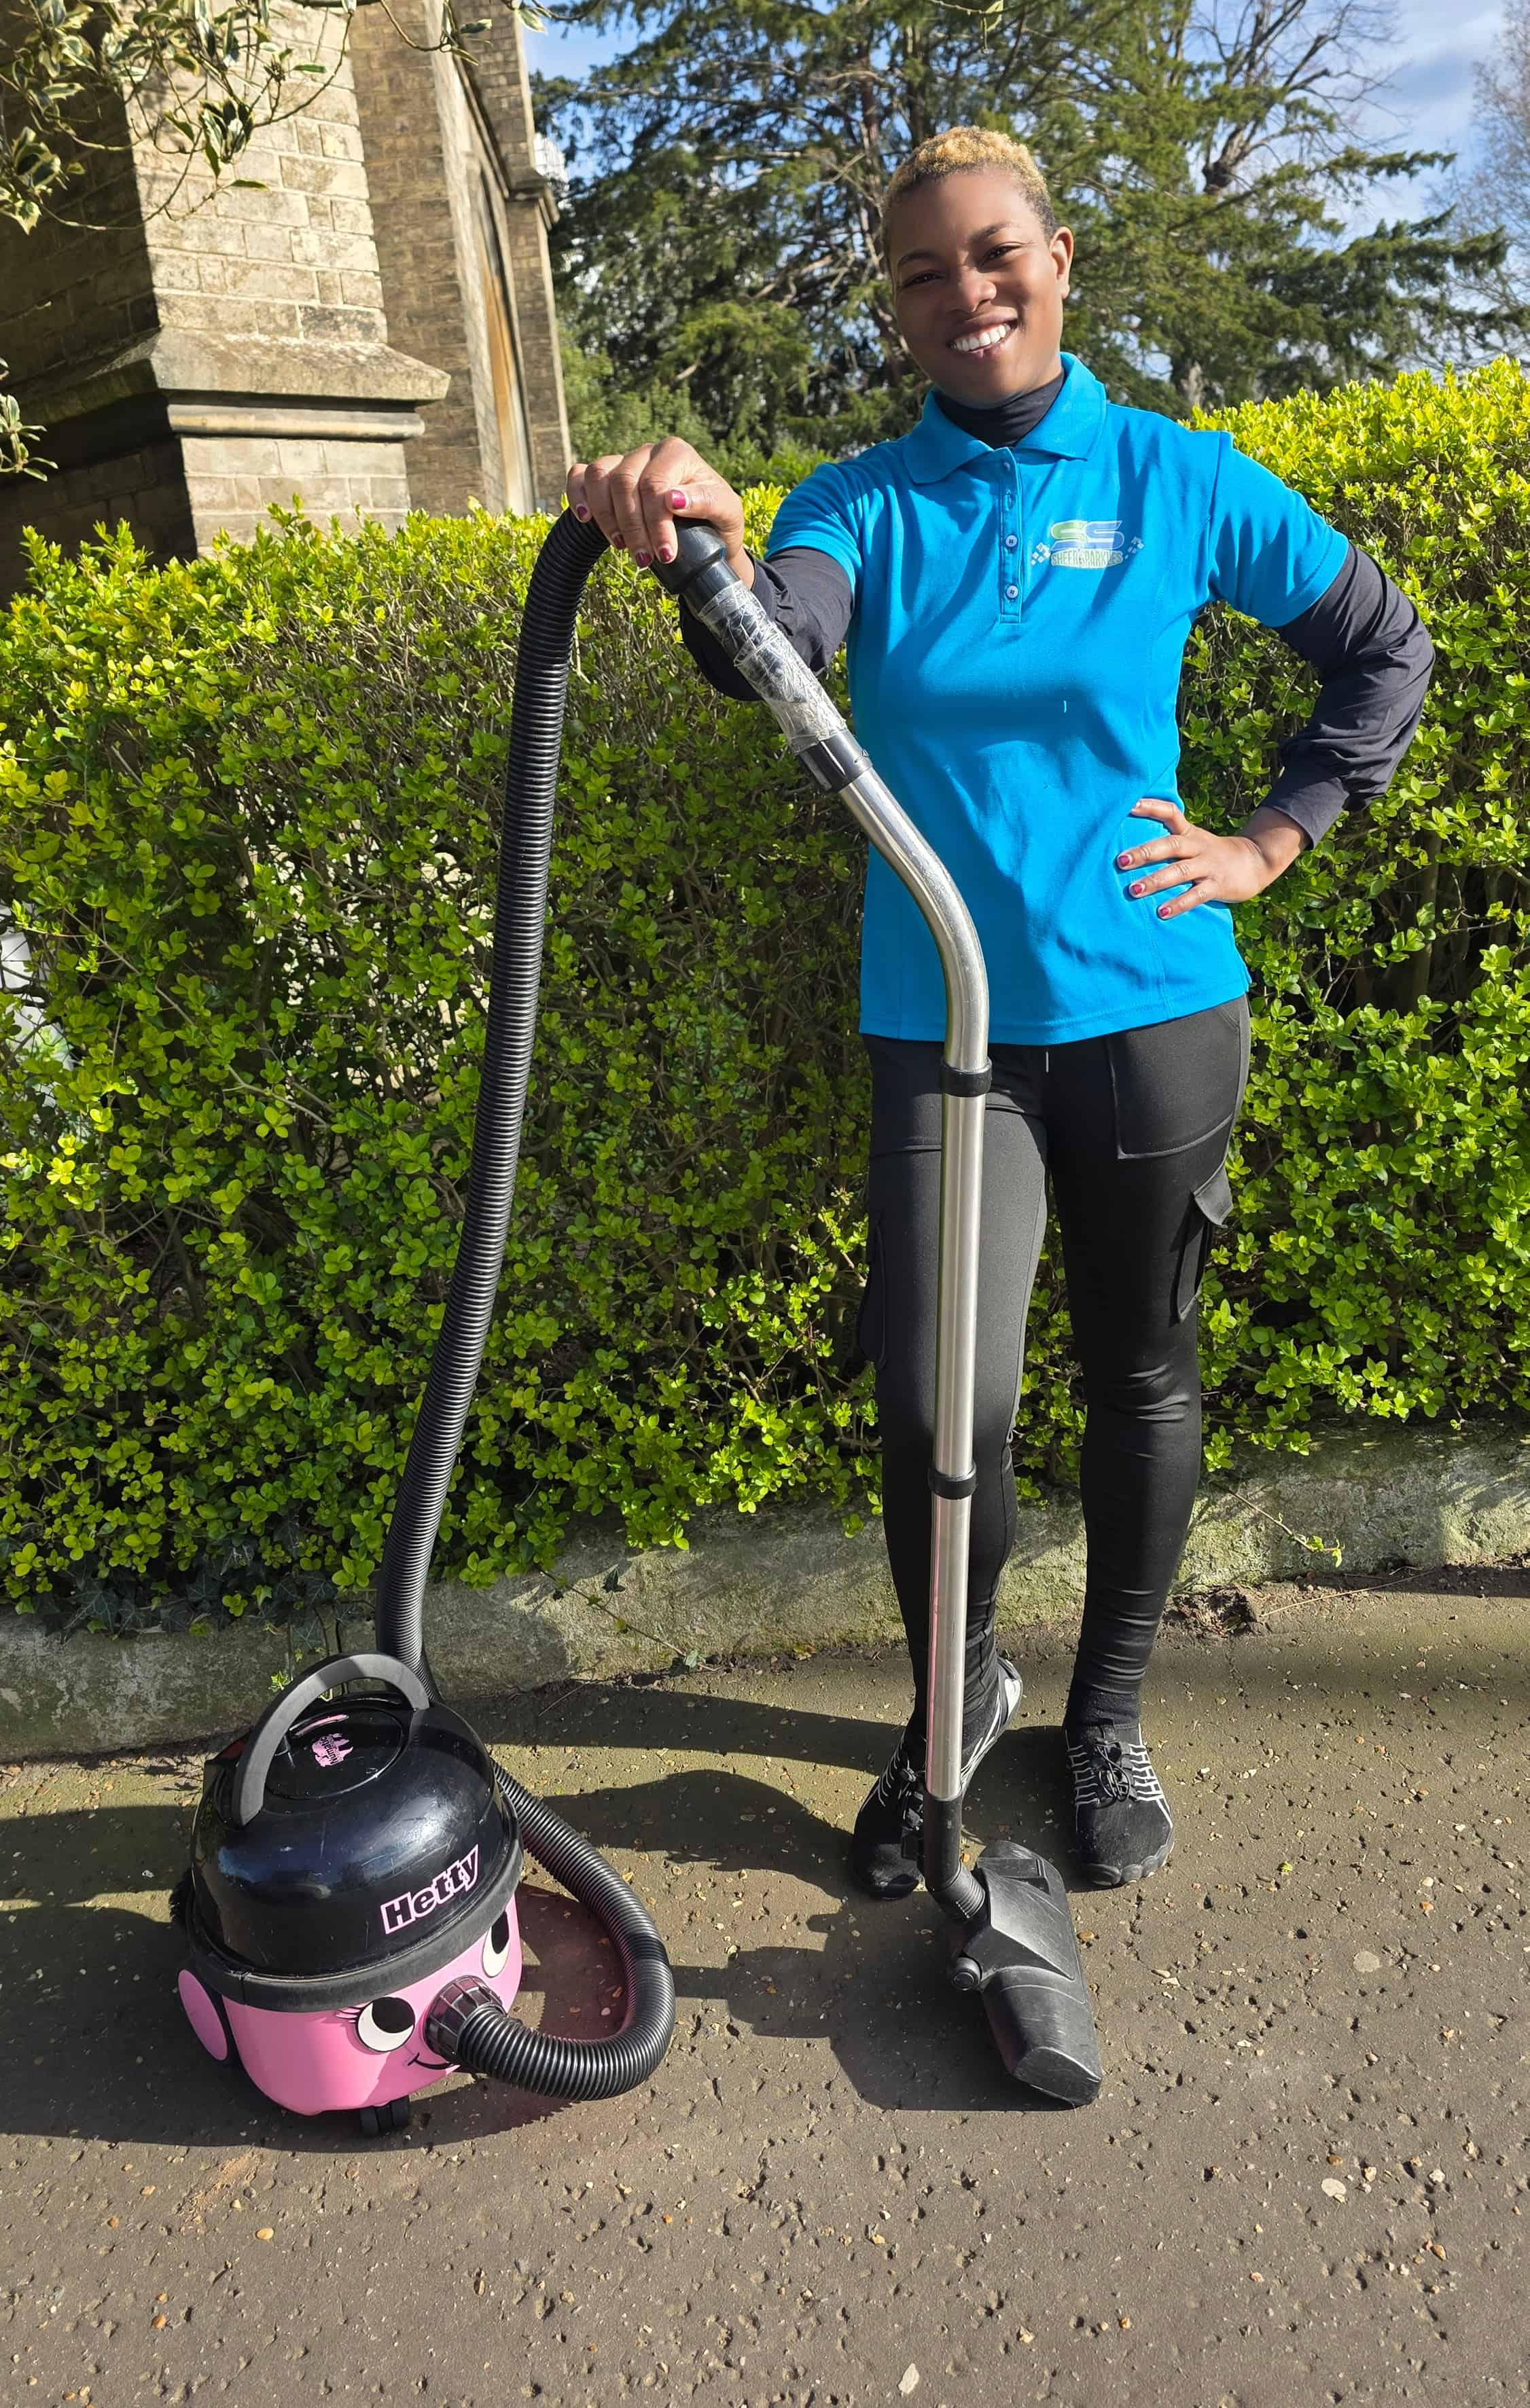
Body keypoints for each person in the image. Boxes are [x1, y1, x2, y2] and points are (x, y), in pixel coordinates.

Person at [565, 125, 1433, 1900]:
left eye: (989, 257)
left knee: (1139, 1375)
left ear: (1053, 258)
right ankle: (952, 1705)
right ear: (891, 314)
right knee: (939, 1411)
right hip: (945, 1036)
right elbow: (772, 650)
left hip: (1151, 1010)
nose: (962, 295)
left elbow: (1379, 647)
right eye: (919, 275)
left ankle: (1102, 1720)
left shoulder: (1181, 481)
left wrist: (1270, 842)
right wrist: (700, 548)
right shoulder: (856, 505)